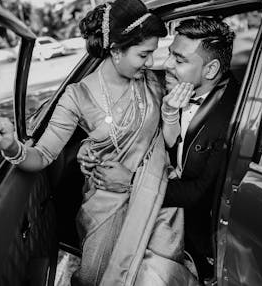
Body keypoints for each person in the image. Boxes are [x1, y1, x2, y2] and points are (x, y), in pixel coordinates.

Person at [0, 0, 198, 286]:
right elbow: (42, 155)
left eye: (152, 54)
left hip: (154, 196)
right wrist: (12, 147)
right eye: (143, 54)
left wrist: (170, 112)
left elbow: (167, 142)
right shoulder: (77, 96)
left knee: (157, 275)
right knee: (98, 276)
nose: (151, 62)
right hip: (105, 205)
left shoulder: (152, 81)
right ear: (116, 51)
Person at [79, 16, 239, 283]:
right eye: (169, 54)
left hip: (184, 227)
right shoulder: (155, 83)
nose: (166, 65)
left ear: (211, 70)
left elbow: (199, 193)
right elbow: (115, 117)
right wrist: (89, 145)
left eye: (180, 59)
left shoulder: (232, 117)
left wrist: (131, 183)